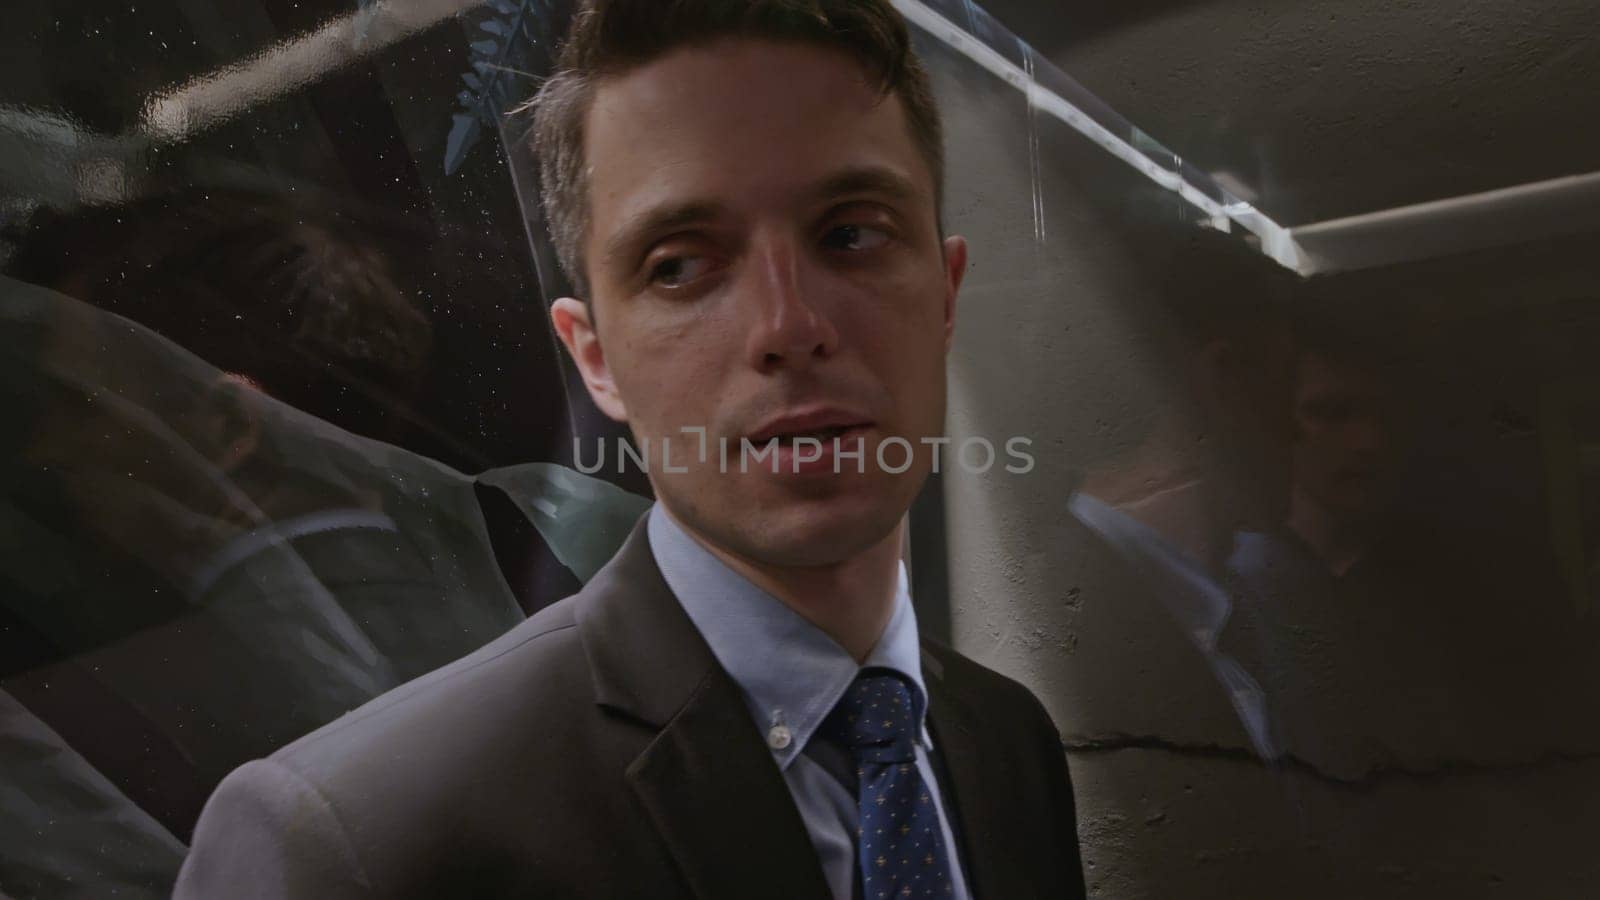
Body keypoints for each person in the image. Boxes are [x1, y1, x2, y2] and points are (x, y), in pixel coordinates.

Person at [173, 1, 1086, 897]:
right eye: (680, 265)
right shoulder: (358, 847)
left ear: (947, 294)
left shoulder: (1005, 743)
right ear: (595, 358)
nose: (789, 324)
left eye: (850, 234)